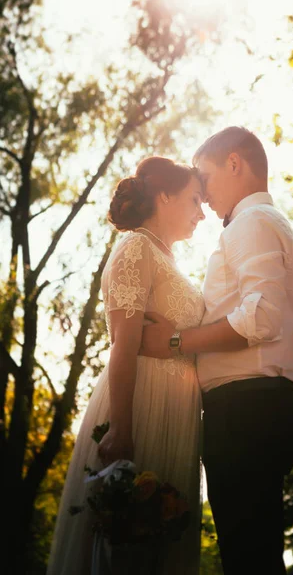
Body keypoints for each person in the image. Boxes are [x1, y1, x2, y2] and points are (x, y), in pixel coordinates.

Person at [140, 127, 293, 574]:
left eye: (206, 177)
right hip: (259, 408)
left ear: (234, 164)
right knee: (255, 554)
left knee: (247, 559)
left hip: (245, 412)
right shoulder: (266, 224)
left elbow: (259, 318)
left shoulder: (251, 224)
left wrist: (175, 342)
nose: (202, 192)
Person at [47, 157, 206, 575]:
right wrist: (121, 428)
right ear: (165, 195)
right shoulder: (135, 247)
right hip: (141, 406)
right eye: (194, 200)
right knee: (128, 544)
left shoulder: (168, 259)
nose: (202, 213)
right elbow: (122, 343)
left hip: (178, 412)